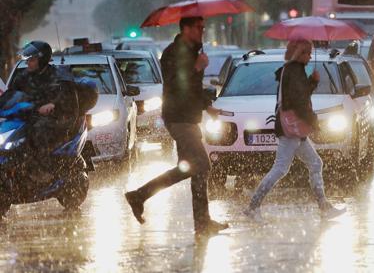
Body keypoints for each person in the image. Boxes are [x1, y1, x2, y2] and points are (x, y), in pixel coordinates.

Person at [124, 16, 228, 236]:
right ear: (186, 29)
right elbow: (176, 84)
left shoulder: (192, 52)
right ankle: (202, 222)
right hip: (178, 118)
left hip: (189, 117)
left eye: (203, 27)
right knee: (202, 165)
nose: (202, 31)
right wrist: (196, 67)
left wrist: (207, 106)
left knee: (188, 167)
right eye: (199, 27)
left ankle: (139, 195)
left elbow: (193, 90)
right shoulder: (173, 53)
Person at [243, 39, 345, 221]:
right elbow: (298, 102)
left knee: (315, 163)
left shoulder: (292, 70)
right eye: (307, 53)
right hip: (292, 129)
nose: (310, 56)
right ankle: (253, 206)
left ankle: (324, 206)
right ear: (300, 53)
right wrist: (313, 120)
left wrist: (312, 82)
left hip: (294, 129)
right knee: (280, 168)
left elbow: (300, 94)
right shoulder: (294, 71)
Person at [1, 41, 79, 178]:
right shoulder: (22, 77)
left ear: (42, 60)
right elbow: (11, 95)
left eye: (32, 60)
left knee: (38, 129)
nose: (28, 63)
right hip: (26, 115)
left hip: (55, 118)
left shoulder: (58, 75)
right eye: (28, 60)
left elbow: (66, 97)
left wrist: (53, 105)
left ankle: (44, 169)